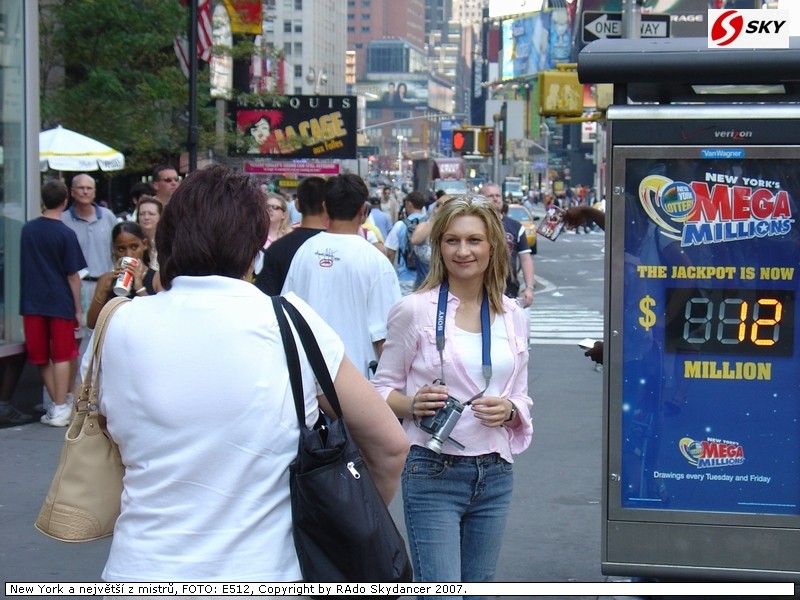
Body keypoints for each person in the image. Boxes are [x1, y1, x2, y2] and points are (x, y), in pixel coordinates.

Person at [88, 164, 408, 582]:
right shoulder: (291, 324)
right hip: (266, 571)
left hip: (141, 570)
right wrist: (350, 524)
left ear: (167, 237)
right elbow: (389, 447)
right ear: (256, 242)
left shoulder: (117, 326)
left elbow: (106, 433)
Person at [372, 194, 532, 592]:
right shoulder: (415, 310)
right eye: (452, 241)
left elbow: (523, 397)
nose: (464, 251)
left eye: (474, 240)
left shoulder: (512, 315)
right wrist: (410, 404)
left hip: (495, 472)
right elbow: (380, 390)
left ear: (492, 246)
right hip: (432, 469)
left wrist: (510, 410)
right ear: (438, 247)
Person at [282, 173, 401, 378]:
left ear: (325, 207)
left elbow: (286, 316)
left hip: (307, 378)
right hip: (358, 381)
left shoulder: (304, 252)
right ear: (363, 211)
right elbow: (385, 338)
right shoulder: (375, 261)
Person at [21, 179, 87, 427]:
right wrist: (78, 308)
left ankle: (57, 405)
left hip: (32, 301)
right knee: (62, 356)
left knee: (40, 357)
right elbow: (73, 276)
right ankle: (62, 405)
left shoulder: (28, 230)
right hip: (60, 302)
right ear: (65, 201)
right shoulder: (66, 234)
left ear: (42, 200)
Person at [61, 173, 118, 376]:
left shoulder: (108, 216)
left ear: (94, 191)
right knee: (76, 341)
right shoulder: (63, 219)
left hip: (105, 284)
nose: (85, 192)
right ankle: (73, 394)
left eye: (89, 188)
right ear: (72, 191)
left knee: (103, 336)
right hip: (76, 286)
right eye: (81, 188)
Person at [254, 176, 327, 296]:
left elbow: (264, 296)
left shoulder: (278, 248)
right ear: (327, 205)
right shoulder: (342, 249)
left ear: (297, 205)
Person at [86, 222, 157, 329]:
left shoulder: (156, 278)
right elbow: (91, 323)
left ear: (144, 244)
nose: (128, 254)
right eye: (121, 249)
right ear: (114, 250)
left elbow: (158, 319)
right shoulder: (107, 279)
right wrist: (104, 291)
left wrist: (139, 288)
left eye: (134, 247)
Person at [481, 182, 535, 308]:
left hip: (509, 288)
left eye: (498, 195)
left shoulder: (515, 226)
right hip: (480, 287)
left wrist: (529, 287)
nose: (495, 199)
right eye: (490, 196)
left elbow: (525, 259)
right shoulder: (475, 224)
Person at [384, 191, 429, 295]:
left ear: (408, 204)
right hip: (426, 278)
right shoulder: (429, 225)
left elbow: (390, 252)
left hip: (404, 278)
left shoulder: (399, 225)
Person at [135, 196, 162, 270]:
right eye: (142, 214)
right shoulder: (133, 241)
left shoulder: (168, 242)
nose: (146, 217)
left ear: (160, 216)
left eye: (151, 214)